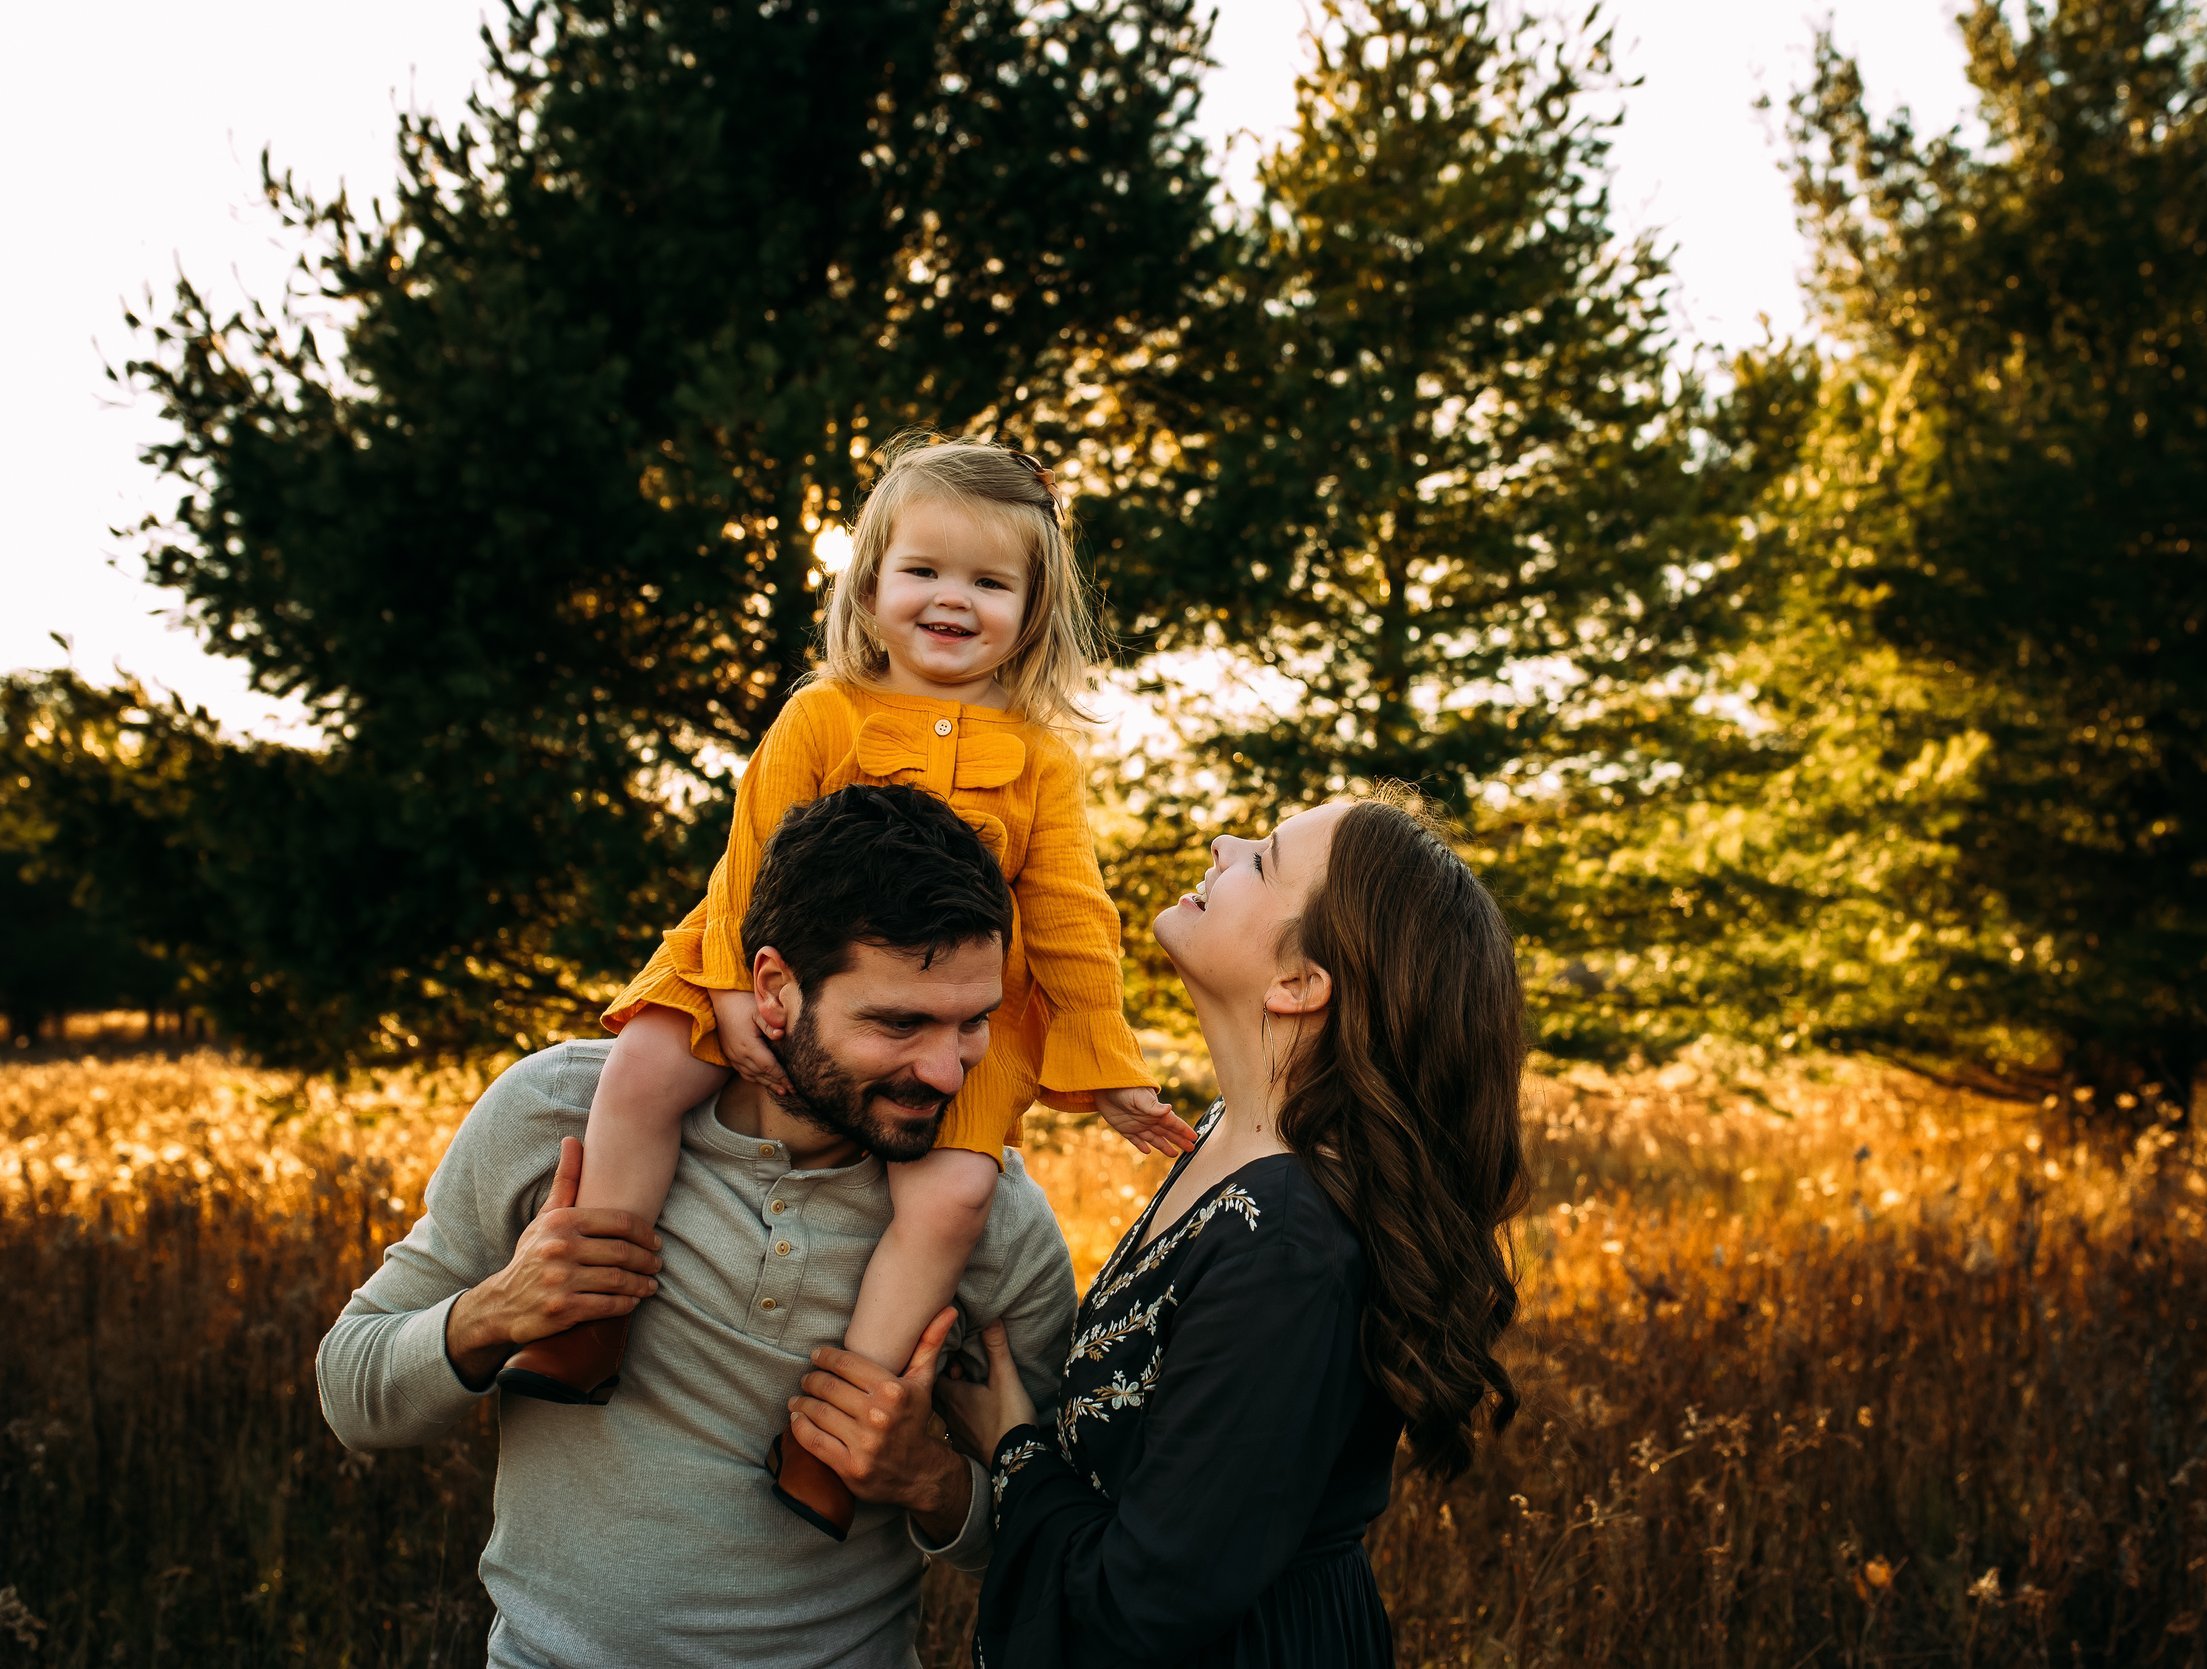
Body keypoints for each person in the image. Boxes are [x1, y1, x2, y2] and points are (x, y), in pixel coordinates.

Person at [500, 435, 1197, 1541]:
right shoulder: (822, 714)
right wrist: (732, 990)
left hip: (950, 1021)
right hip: (749, 948)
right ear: (871, 585)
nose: (951, 601)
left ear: (1034, 605)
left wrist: (1108, 1070)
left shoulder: (1038, 758)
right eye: (924, 571)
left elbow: (1073, 922)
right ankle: (588, 1317)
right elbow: (751, 854)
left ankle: (838, 1428)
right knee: (638, 1070)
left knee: (953, 1200)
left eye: (988, 581)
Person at [316, 785, 1078, 1668]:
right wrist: (493, 1313)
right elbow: (351, 1392)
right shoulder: (560, 1111)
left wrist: (929, 1480)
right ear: (774, 986)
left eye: (972, 1023)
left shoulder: (990, 1217)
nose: (947, 1071)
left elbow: (1057, 1543)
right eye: (899, 1022)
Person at [793, 792, 1531, 1666]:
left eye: (1263, 859)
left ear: (1299, 983)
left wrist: (998, 1451)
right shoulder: (1232, 1137)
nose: (1224, 840)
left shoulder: (1290, 1245)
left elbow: (1142, 1604)